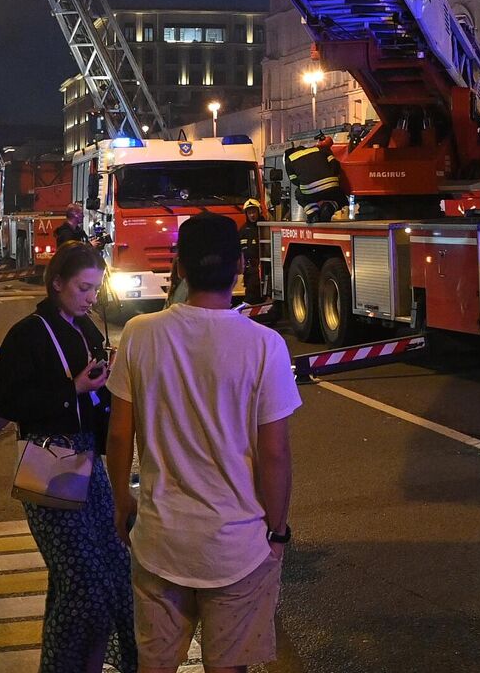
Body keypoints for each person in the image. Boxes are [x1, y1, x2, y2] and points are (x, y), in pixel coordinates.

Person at [108, 213, 298, 673]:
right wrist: (276, 532)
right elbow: (274, 454)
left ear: (178, 269)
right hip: (236, 547)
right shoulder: (265, 345)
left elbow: (118, 435)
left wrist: (121, 503)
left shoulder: (139, 335)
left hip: (160, 542)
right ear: (238, 267)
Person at [0, 242, 136, 673]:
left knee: (111, 573)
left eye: (95, 289)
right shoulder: (28, 333)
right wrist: (72, 389)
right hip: (49, 468)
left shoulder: (86, 328)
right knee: (83, 586)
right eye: (83, 288)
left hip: (90, 465)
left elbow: (97, 395)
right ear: (57, 284)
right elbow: (5, 402)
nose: (92, 297)